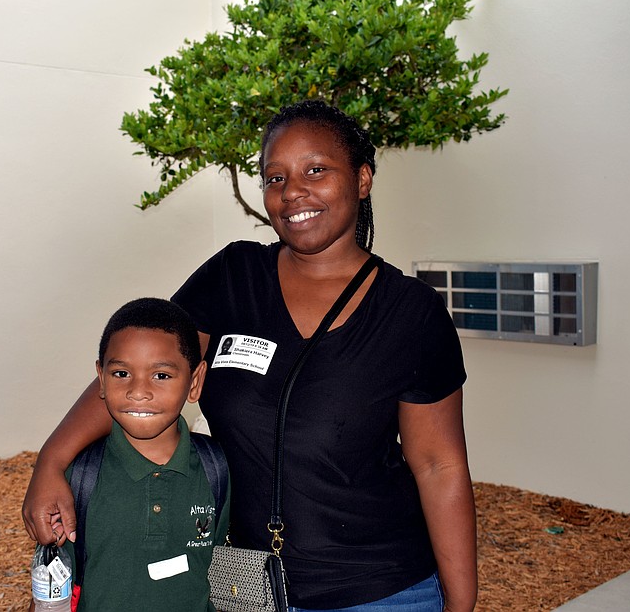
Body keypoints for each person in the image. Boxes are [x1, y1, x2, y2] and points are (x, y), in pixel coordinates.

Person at [23, 100, 477, 611]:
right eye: (274, 177)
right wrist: (52, 461)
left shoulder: (410, 313)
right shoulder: (233, 278)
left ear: (363, 179)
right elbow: (142, 368)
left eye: (316, 170)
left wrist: (461, 604)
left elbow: (439, 466)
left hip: (382, 591)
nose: (292, 192)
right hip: (248, 590)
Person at [42, 298, 230, 611]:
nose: (138, 392)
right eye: (121, 374)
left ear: (195, 382)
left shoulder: (215, 468)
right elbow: (50, 584)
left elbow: (219, 563)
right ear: (101, 379)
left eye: (161, 376)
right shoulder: (79, 477)